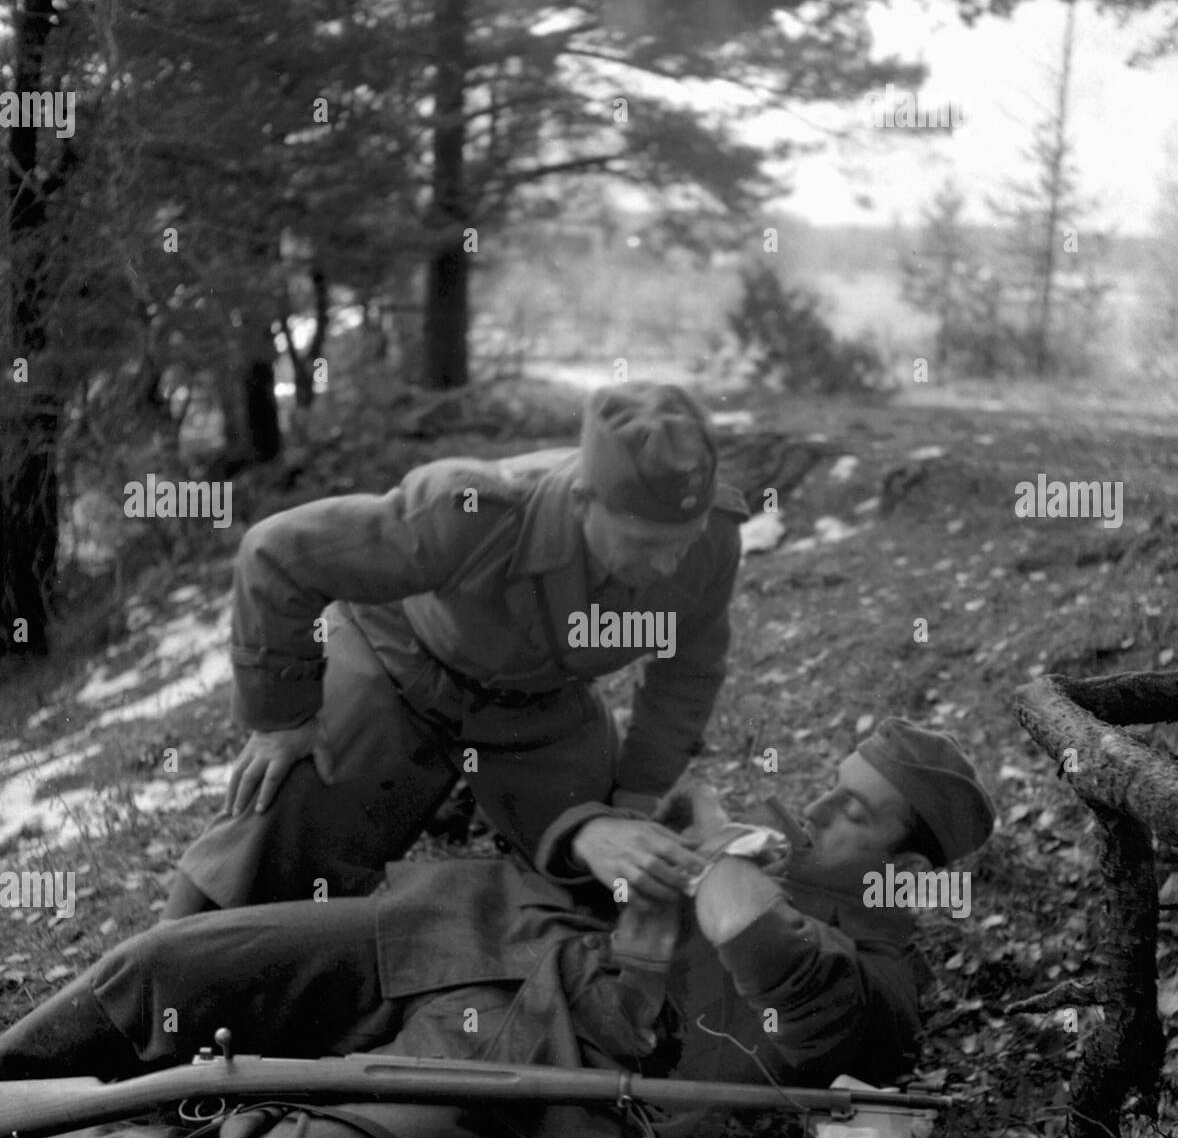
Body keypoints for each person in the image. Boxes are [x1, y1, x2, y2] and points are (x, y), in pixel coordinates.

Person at [0, 719, 994, 1138]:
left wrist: (706, 849)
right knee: (163, 967)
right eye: (834, 783)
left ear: (900, 864)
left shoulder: (881, 976)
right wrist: (623, 829)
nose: (818, 806)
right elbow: (575, 814)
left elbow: (771, 955)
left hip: (539, 1073)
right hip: (471, 933)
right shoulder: (769, 832)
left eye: (855, 812)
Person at [164, 381, 748, 918]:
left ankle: (463, 808)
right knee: (267, 848)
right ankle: (159, 979)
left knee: (615, 882)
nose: (669, 564)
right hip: (397, 666)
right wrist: (280, 719)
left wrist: (638, 791)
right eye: (645, 544)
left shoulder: (713, 538)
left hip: (538, 708)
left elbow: (689, 670)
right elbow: (277, 554)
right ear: (580, 500)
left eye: (682, 542)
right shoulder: (472, 511)